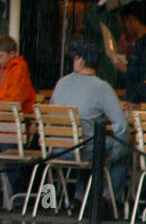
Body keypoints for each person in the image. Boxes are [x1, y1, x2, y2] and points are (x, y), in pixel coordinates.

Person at [49, 40, 130, 204]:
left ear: (80, 60)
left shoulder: (61, 83)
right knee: (123, 149)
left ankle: (80, 193)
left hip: (56, 149)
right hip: (83, 149)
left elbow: (51, 116)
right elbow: (121, 126)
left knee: (88, 142)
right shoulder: (102, 87)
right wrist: (115, 154)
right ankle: (109, 197)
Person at [0, 35, 36, 114]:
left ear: (12, 54)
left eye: (0, 56)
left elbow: (14, 99)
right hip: (7, 113)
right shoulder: (3, 68)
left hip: (17, 116)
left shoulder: (19, 69)